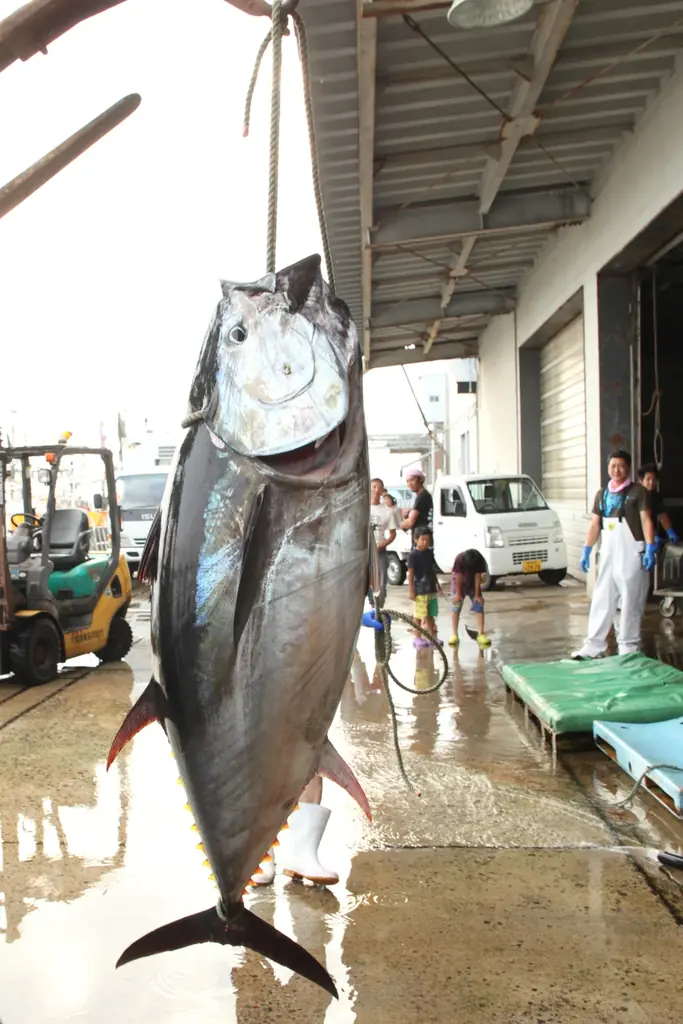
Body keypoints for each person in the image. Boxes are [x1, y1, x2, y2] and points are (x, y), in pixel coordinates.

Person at [572, 448, 655, 661]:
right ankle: (593, 644)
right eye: (612, 466)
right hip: (608, 552)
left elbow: (646, 520)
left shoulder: (638, 492)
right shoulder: (602, 494)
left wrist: (650, 546)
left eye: (621, 466)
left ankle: (628, 644)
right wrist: (587, 549)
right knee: (602, 597)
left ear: (627, 468)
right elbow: (594, 525)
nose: (616, 470)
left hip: (632, 552)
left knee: (630, 599)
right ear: (608, 468)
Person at [407, 526, 443, 648]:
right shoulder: (413, 555)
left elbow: (432, 570)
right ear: (415, 540)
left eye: (428, 540)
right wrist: (411, 590)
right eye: (423, 540)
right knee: (419, 615)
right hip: (420, 589)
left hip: (430, 587)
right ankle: (417, 637)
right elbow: (411, 573)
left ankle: (432, 637)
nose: (425, 542)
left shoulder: (429, 553)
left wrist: (437, 584)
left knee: (430, 614)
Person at [449, 548, 491, 649]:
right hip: (458, 583)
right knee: (456, 606)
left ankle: (481, 634)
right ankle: (454, 634)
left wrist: (477, 595)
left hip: (472, 584)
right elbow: (458, 576)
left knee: (479, 605)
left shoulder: (479, 560)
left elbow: (477, 576)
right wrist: (458, 594)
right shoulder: (459, 559)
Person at [369, 477, 401, 608]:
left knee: (381, 585)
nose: (376, 490)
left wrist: (384, 543)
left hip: (380, 552)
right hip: (365, 552)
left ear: (382, 490)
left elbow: (393, 534)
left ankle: (378, 610)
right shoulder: (363, 508)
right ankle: (371, 607)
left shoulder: (388, 511)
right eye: (373, 487)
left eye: (378, 487)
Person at [637, 463, 679, 549]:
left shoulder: (655, 497)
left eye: (654, 479)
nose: (652, 482)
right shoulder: (635, 495)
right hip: (635, 536)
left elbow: (662, 516)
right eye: (648, 479)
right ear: (641, 481)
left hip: (649, 536)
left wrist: (670, 532)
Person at [400, 465, 433, 547]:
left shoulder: (422, 497)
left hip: (421, 543)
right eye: (407, 481)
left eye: (412, 480)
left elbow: (410, 522)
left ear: (420, 480)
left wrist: (397, 525)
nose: (409, 484)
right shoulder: (423, 496)